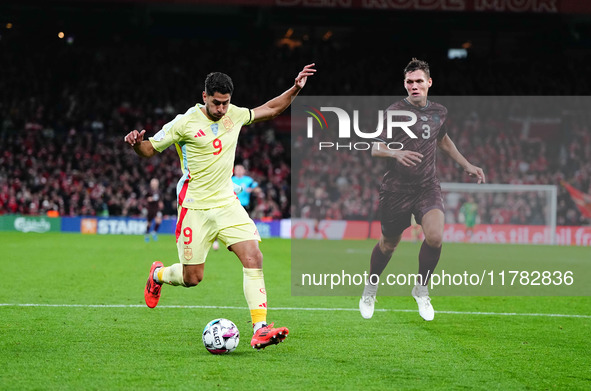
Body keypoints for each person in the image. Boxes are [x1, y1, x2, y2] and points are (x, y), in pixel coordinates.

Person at [124, 64, 316, 349]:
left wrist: (296, 88)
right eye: (216, 103)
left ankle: (260, 328)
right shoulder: (184, 122)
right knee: (192, 278)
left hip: (227, 203)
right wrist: (136, 144)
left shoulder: (235, 114)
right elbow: (149, 149)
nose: (222, 109)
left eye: (226, 103)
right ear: (204, 96)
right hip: (194, 207)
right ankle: (158, 274)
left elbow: (272, 109)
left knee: (254, 256)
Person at [359, 58, 485, 321]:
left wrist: (466, 164)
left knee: (436, 237)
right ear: (404, 85)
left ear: (429, 82)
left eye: (418, 81)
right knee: (389, 244)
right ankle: (371, 287)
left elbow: (443, 140)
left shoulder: (439, 111)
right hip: (396, 190)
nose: (414, 86)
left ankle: (421, 288)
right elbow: (374, 148)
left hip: (427, 186)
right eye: (409, 82)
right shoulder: (393, 112)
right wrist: (396, 152)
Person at [145, 178, 164, 242]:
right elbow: (146, 199)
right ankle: (147, 234)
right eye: (153, 183)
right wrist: (152, 199)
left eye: (156, 183)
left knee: (159, 220)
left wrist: (161, 203)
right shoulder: (149, 191)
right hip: (150, 208)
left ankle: (154, 232)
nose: (155, 184)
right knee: (149, 222)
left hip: (156, 208)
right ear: (151, 184)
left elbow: (160, 199)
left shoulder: (159, 191)